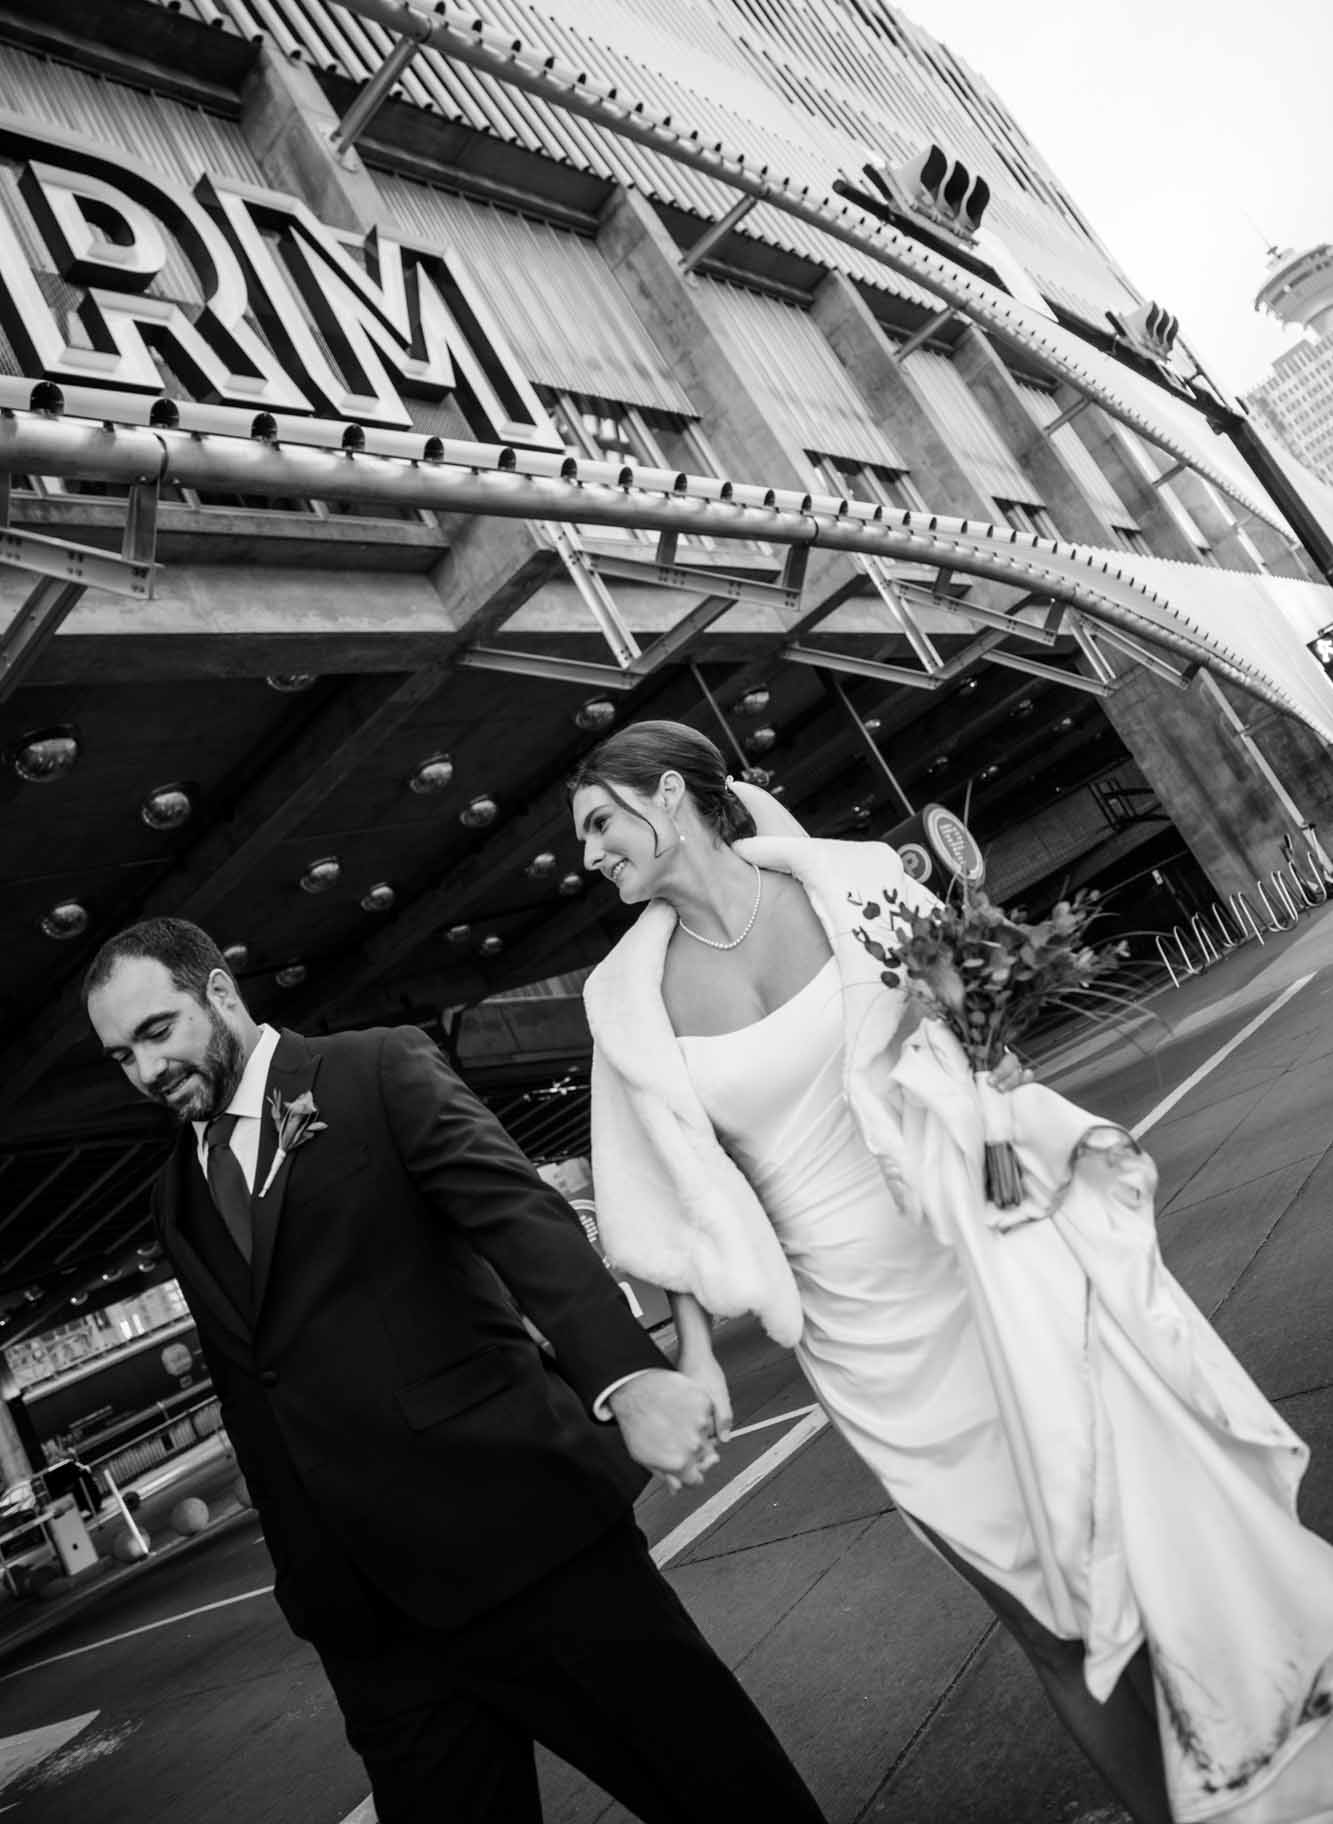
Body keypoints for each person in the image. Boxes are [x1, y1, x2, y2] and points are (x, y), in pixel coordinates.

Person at [571, 719, 1333, 1824]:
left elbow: (973, 1028)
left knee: (1123, 1520)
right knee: (1034, 1604)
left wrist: (992, 1064)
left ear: (672, 796)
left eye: (601, 821)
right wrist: (693, 1351)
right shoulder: (623, 1001)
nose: (590, 854)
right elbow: (660, 1197)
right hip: (855, 1330)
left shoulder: (859, 882)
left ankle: (1255, 1752)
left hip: (986, 1247)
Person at [82, 918, 826, 1824]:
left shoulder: (374, 1069)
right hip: (371, 1625)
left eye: (159, 1031)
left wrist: (626, 1379)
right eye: (122, 1055)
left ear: (221, 994)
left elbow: (518, 1219)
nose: (148, 1071)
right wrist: (306, 1584)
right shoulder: (174, 1195)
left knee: (721, 1793)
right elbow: (253, 1391)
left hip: (525, 1540)